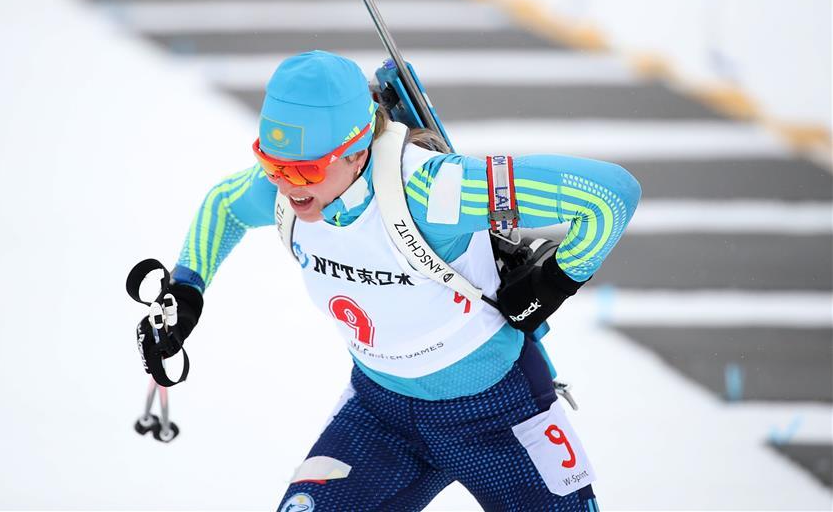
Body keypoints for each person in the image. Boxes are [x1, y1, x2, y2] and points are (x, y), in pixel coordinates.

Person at [151, 50, 641, 511]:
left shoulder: (435, 190)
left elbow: (609, 196)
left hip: (497, 417)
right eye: (273, 164)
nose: (285, 184)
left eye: (305, 170)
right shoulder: (286, 196)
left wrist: (552, 282)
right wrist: (187, 288)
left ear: (357, 149)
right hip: (379, 415)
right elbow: (224, 206)